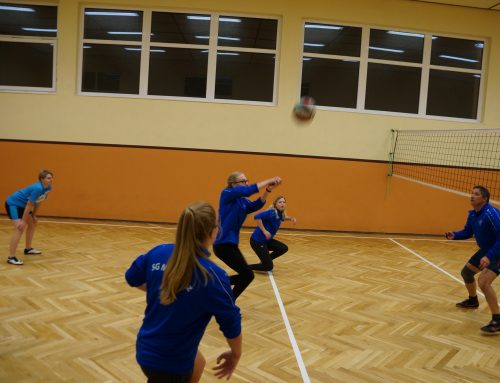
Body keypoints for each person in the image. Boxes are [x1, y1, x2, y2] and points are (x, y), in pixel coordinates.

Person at [125, 202, 242, 382]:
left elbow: (131, 276)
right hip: (172, 365)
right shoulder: (213, 277)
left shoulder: (158, 252)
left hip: (146, 349)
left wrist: (163, 288)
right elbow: (231, 323)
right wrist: (235, 355)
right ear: (213, 232)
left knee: (199, 362)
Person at [213, 171, 281, 299]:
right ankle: (226, 299)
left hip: (231, 244)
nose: (247, 183)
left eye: (247, 180)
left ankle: (216, 286)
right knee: (247, 275)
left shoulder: (242, 201)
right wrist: (269, 179)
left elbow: (256, 205)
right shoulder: (226, 194)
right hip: (222, 244)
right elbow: (248, 191)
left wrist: (268, 190)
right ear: (233, 184)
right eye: (243, 181)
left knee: (247, 276)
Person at [445, 185, 500, 333]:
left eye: (476, 194)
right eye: (471, 193)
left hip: (497, 251)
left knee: (483, 281)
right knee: (467, 273)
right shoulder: (473, 214)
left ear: (485, 198)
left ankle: (497, 319)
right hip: (486, 250)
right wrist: (455, 235)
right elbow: (468, 231)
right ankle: (473, 300)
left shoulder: (491, 213)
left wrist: (490, 256)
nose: (472, 196)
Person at [5, 170, 54, 266]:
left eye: (52, 178)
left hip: (24, 206)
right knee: (20, 228)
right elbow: (29, 204)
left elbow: (39, 201)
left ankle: (28, 249)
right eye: (48, 178)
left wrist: (34, 215)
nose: (51, 180)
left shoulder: (48, 187)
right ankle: (11, 257)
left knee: (32, 224)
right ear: (42, 179)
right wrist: (23, 221)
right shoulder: (38, 188)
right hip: (13, 204)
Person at [249, 195, 296, 272]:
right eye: (280, 202)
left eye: (284, 202)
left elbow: (282, 218)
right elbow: (257, 217)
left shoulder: (280, 213)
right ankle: (246, 268)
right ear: (275, 204)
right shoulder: (272, 212)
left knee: (283, 248)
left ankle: (266, 260)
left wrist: (291, 218)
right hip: (257, 241)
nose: (282, 204)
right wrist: (264, 231)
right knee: (268, 267)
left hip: (266, 241)